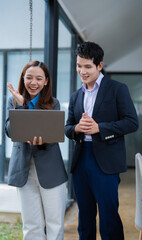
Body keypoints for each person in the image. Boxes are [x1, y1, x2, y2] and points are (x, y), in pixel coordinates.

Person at [65, 41, 139, 240]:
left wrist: (101, 128)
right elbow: (67, 127)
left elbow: (132, 122)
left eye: (87, 66)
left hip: (106, 162)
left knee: (109, 218)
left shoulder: (117, 89)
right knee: (85, 218)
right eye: (79, 66)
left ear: (99, 65)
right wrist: (76, 129)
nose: (82, 71)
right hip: (81, 161)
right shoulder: (75, 96)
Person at [5, 60, 68, 240]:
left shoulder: (53, 103)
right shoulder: (12, 100)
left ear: (46, 81)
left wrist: (27, 105)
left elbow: (54, 133)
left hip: (51, 170)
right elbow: (10, 131)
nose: (34, 82)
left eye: (39, 78)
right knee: (31, 225)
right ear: (23, 78)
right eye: (29, 77)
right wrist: (20, 104)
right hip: (23, 169)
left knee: (54, 224)